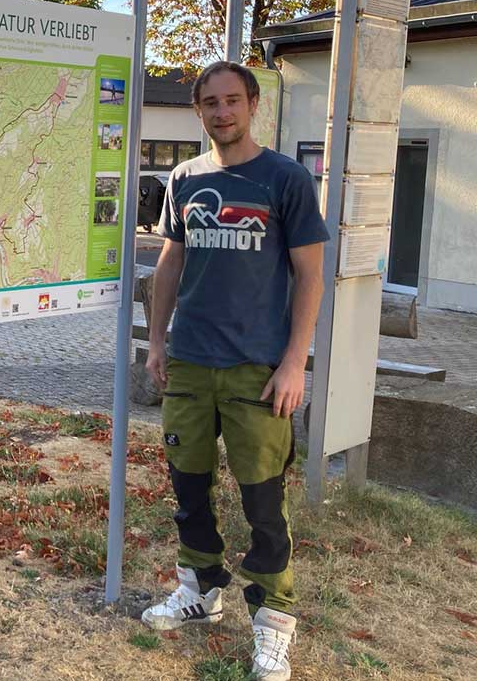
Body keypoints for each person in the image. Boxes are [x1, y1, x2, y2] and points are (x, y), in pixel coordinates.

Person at [143, 61, 328, 681]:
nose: (221, 112)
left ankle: (273, 623)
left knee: (263, 505)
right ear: (199, 111)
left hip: (258, 370)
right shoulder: (186, 178)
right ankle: (200, 587)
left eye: (231, 101)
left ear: (251, 104)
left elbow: (310, 275)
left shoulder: (287, 179)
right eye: (209, 104)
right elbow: (170, 263)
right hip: (191, 363)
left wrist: (295, 362)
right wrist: (159, 342)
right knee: (188, 489)